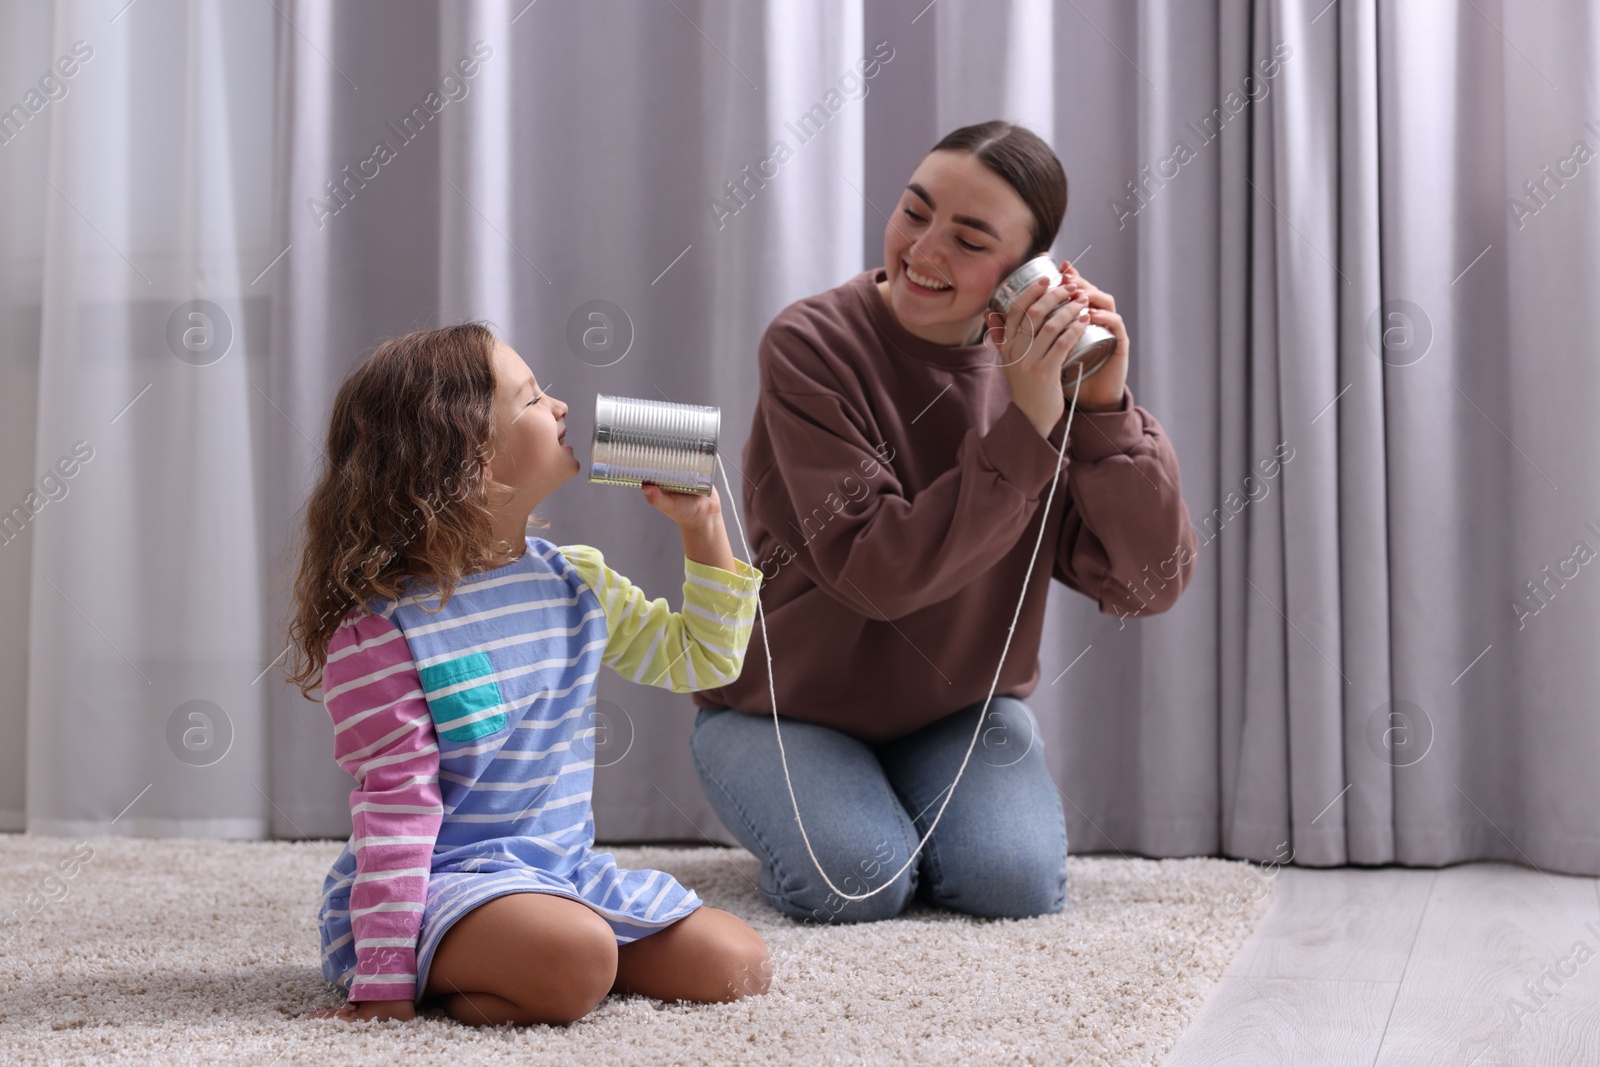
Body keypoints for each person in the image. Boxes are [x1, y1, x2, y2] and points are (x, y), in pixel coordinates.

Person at [691, 120, 1199, 924]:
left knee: (1012, 884)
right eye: (914, 211)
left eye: (968, 239)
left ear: (1028, 273)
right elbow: (878, 572)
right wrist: (1026, 430)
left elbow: (1148, 584)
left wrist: (1101, 410)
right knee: (858, 880)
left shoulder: (1038, 373)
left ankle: (903, 813)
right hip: (787, 708)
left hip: (956, 714)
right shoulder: (810, 346)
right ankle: (860, 815)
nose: (924, 252)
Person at [285, 323, 771, 1026]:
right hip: (442, 890)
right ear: (469, 460)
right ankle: (496, 967)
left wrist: (704, 529)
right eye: (533, 398)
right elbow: (396, 812)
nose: (563, 406)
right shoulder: (382, 632)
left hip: (558, 874)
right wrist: (383, 984)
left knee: (738, 962)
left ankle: (563, 959)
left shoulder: (573, 578)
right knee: (577, 956)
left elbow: (703, 656)